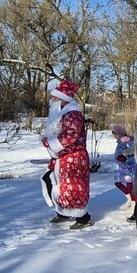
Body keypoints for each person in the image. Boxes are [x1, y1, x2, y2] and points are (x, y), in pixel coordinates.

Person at [40, 79, 93, 229]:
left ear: (63, 98)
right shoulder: (63, 112)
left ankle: (83, 218)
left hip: (74, 158)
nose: (52, 100)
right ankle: (63, 211)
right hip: (64, 157)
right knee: (61, 186)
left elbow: (71, 135)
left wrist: (50, 142)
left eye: (54, 98)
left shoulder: (72, 114)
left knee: (75, 188)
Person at [112, 124, 137, 212]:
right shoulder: (121, 140)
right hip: (122, 167)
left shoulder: (125, 141)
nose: (113, 135)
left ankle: (132, 201)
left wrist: (123, 157)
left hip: (128, 167)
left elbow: (129, 152)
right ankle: (130, 199)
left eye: (114, 133)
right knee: (120, 183)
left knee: (128, 184)